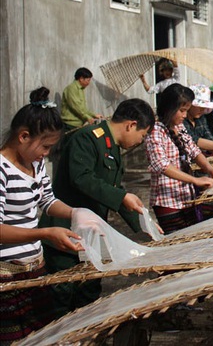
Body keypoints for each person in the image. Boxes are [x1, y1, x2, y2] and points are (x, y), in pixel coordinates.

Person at [41, 98, 156, 315]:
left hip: (90, 235)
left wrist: (143, 224)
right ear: (131, 125)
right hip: (65, 232)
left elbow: (113, 189)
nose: (140, 141)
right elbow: (82, 178)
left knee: (89, 293)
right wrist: (122, 196)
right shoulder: (86, 139)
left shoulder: (112, 147)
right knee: (61, 296)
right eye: (142, 135)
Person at [1, 87, 83, 343]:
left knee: (40, 335)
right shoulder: (2, 170)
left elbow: (46, 200)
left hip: (35, 268)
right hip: (6, 276)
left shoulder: (35, 165)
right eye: (45, 146)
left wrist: (76, 213)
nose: (46, 154)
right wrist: (45, 232)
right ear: (23, 136)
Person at [145, 84, 213, 234]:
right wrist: (195, 180)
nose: (185, 115)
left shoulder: (179, 127)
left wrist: (210, 169)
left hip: (186, 196)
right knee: (178, 243)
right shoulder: (155, 131)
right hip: (168, 201)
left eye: (186, 111)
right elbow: (162, 165)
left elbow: (193, 150)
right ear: (169, 108)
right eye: (182, 111)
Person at [60, 67, 103, 131]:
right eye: (88, 80)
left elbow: (83, 108)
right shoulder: (71, 89)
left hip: (78, 124)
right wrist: (87, 117)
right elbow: (76, 107)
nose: (89, 83)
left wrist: (93, 115)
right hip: (70, 124)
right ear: (81, 79)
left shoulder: (81, 89)